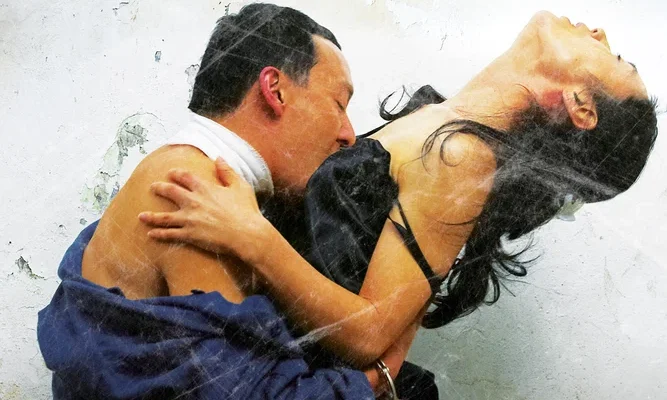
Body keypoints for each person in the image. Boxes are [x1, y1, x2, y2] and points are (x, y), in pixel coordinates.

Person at [137, 9, 659, 397]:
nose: (599, 33)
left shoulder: (462, 156)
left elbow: (368, 333)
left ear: (582, 106)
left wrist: (252, 238)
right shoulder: (441, 122)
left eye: (616, 59)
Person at [37, 4, 411, 399]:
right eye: (339, 104)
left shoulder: (183, 170)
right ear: (275, 90)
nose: (349, 134)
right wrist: (381, 372)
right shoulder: (198, 194)